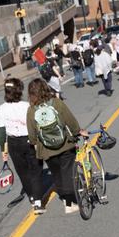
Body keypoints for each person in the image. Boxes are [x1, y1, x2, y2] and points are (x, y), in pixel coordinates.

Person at [26, 79, 85, 214]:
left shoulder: (31, 111)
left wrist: (35, 143)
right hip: (64, 145)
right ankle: (70, 203)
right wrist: (77, 132)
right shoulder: (57, 103)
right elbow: (70, 121)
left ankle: (65, 200)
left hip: (46, 149)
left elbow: (31, 135)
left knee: (57, 175)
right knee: (68, 172)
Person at [0, 78, 45, 214]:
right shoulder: (27, 106)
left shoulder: (1, 109)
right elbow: (36, 125)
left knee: (23, 172)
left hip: (13, 144)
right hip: (29, 140)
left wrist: (3, 150)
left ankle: (31, 196)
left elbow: (1, 133)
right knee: (36, 170)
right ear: (20, 91)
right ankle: (38, 201)